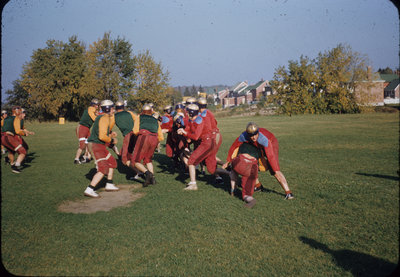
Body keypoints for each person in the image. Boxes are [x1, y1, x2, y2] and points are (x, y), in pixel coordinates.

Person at [225, 122, 294, 200]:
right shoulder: (243, 136)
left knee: (274, 170)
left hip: (271, 143)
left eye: (255, 134)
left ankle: (288, 192)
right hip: (256, 146)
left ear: (258, 132)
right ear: (248, 135)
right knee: (252, 165)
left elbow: (270, 157)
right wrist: (228, 161)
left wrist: (274, 168)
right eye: (251, 136)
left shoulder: (263, 140)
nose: (254, 137)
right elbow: (234, 146)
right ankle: (258, 186)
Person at [178, 104, 227, 190]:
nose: (187, 113)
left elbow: (196, 136)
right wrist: (182, 131)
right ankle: (230, 173)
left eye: (188, 112)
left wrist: (185, 133)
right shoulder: (192, 120)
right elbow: (188, 129)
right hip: (207, 142)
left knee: (191, 161)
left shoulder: (199, 120)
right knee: (211, 169)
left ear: (191, 113)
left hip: (207, 142)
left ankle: (193, 184)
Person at [84, 100, 119, 198]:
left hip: (98, 144)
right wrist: (112, 140)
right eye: (112, 108)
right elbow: (102, 136)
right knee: (103, 168)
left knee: (112, 162)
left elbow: (101, 132)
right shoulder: (104, 118)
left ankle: (109, 183)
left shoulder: (103, 117)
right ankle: (90, 189)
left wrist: (110, 135)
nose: (113, 110)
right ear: (108, 109)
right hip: (96, 145)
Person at [130, 104, 164, 187]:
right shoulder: (155, 120)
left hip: (144, 137)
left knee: (135, 161)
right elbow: (161, 136)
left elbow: (135, 131)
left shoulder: (139, 117)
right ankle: (153, 178)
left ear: (142, 111)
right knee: (148, 159)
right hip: (155, 139)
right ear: (151, 111)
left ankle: (147, 173)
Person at [224, 137, 262, 208]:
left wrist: (228, 162)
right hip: (252, 167)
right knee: (246, 194)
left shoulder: (242, 141)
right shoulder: (261, 147)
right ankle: (249, 199)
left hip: (240, 162)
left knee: (233, 171)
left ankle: (233, 189)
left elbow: (233, 151)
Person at [1, 106, 28, 173]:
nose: (22, 113)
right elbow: (17, 131)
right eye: (21, 112)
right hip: (8, 137)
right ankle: (15, 167)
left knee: (12, 151)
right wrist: (24, 134)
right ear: (17, 112)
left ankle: (10, 162)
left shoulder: (6, 118)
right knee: (23, 151)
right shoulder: (16, 118)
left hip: (2, 137)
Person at [113, 101, 138, 166]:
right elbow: (137, 119)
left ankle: (137, 170)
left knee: (125, 157)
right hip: (135, 133)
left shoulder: (114, 116)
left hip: (128, 135)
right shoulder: (129, 113)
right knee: (131, 151)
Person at [74, 99, 99, 164]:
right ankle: (76, 159)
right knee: (82, 145)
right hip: (82, 127)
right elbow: (95, 118)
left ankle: (84, 157)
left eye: (97, 105)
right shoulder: (91, 109)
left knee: (89, 144)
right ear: (93, 105)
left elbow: (96, 115)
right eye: (96, 105)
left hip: (87, 128)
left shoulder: (93, 110)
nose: (97, 106)